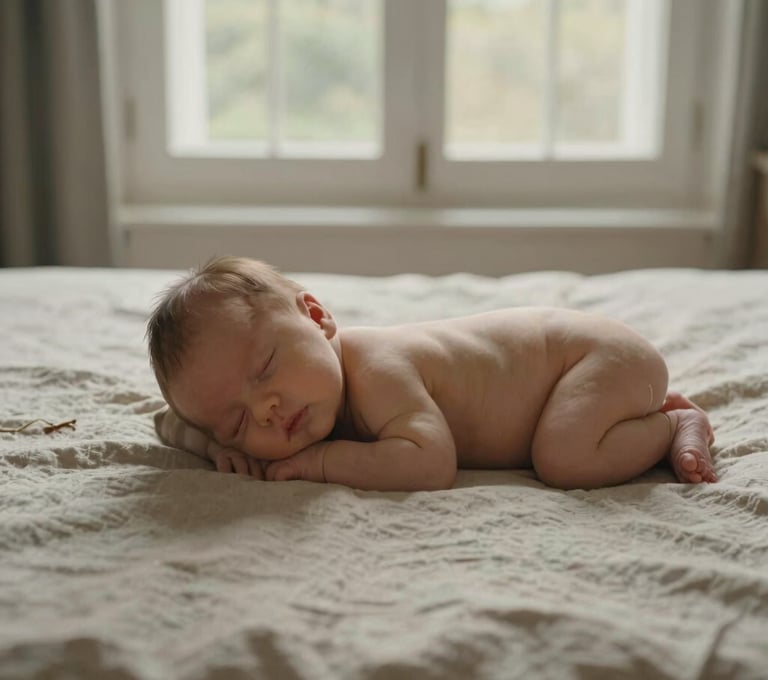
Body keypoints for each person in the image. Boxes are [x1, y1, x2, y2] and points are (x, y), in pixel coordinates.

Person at [147, 256, 717, 492]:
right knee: (564, 446)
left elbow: (430, 460)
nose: (267, 409)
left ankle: (671, 423)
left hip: (588, 357)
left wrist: (318, 463)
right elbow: (168, 421)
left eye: (266, 368)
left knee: (565, 459)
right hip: (590, 373)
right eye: (239, 420)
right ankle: (637, 411)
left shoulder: (377, 369)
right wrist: (206, 439)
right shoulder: (295, 403)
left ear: (318, 319)